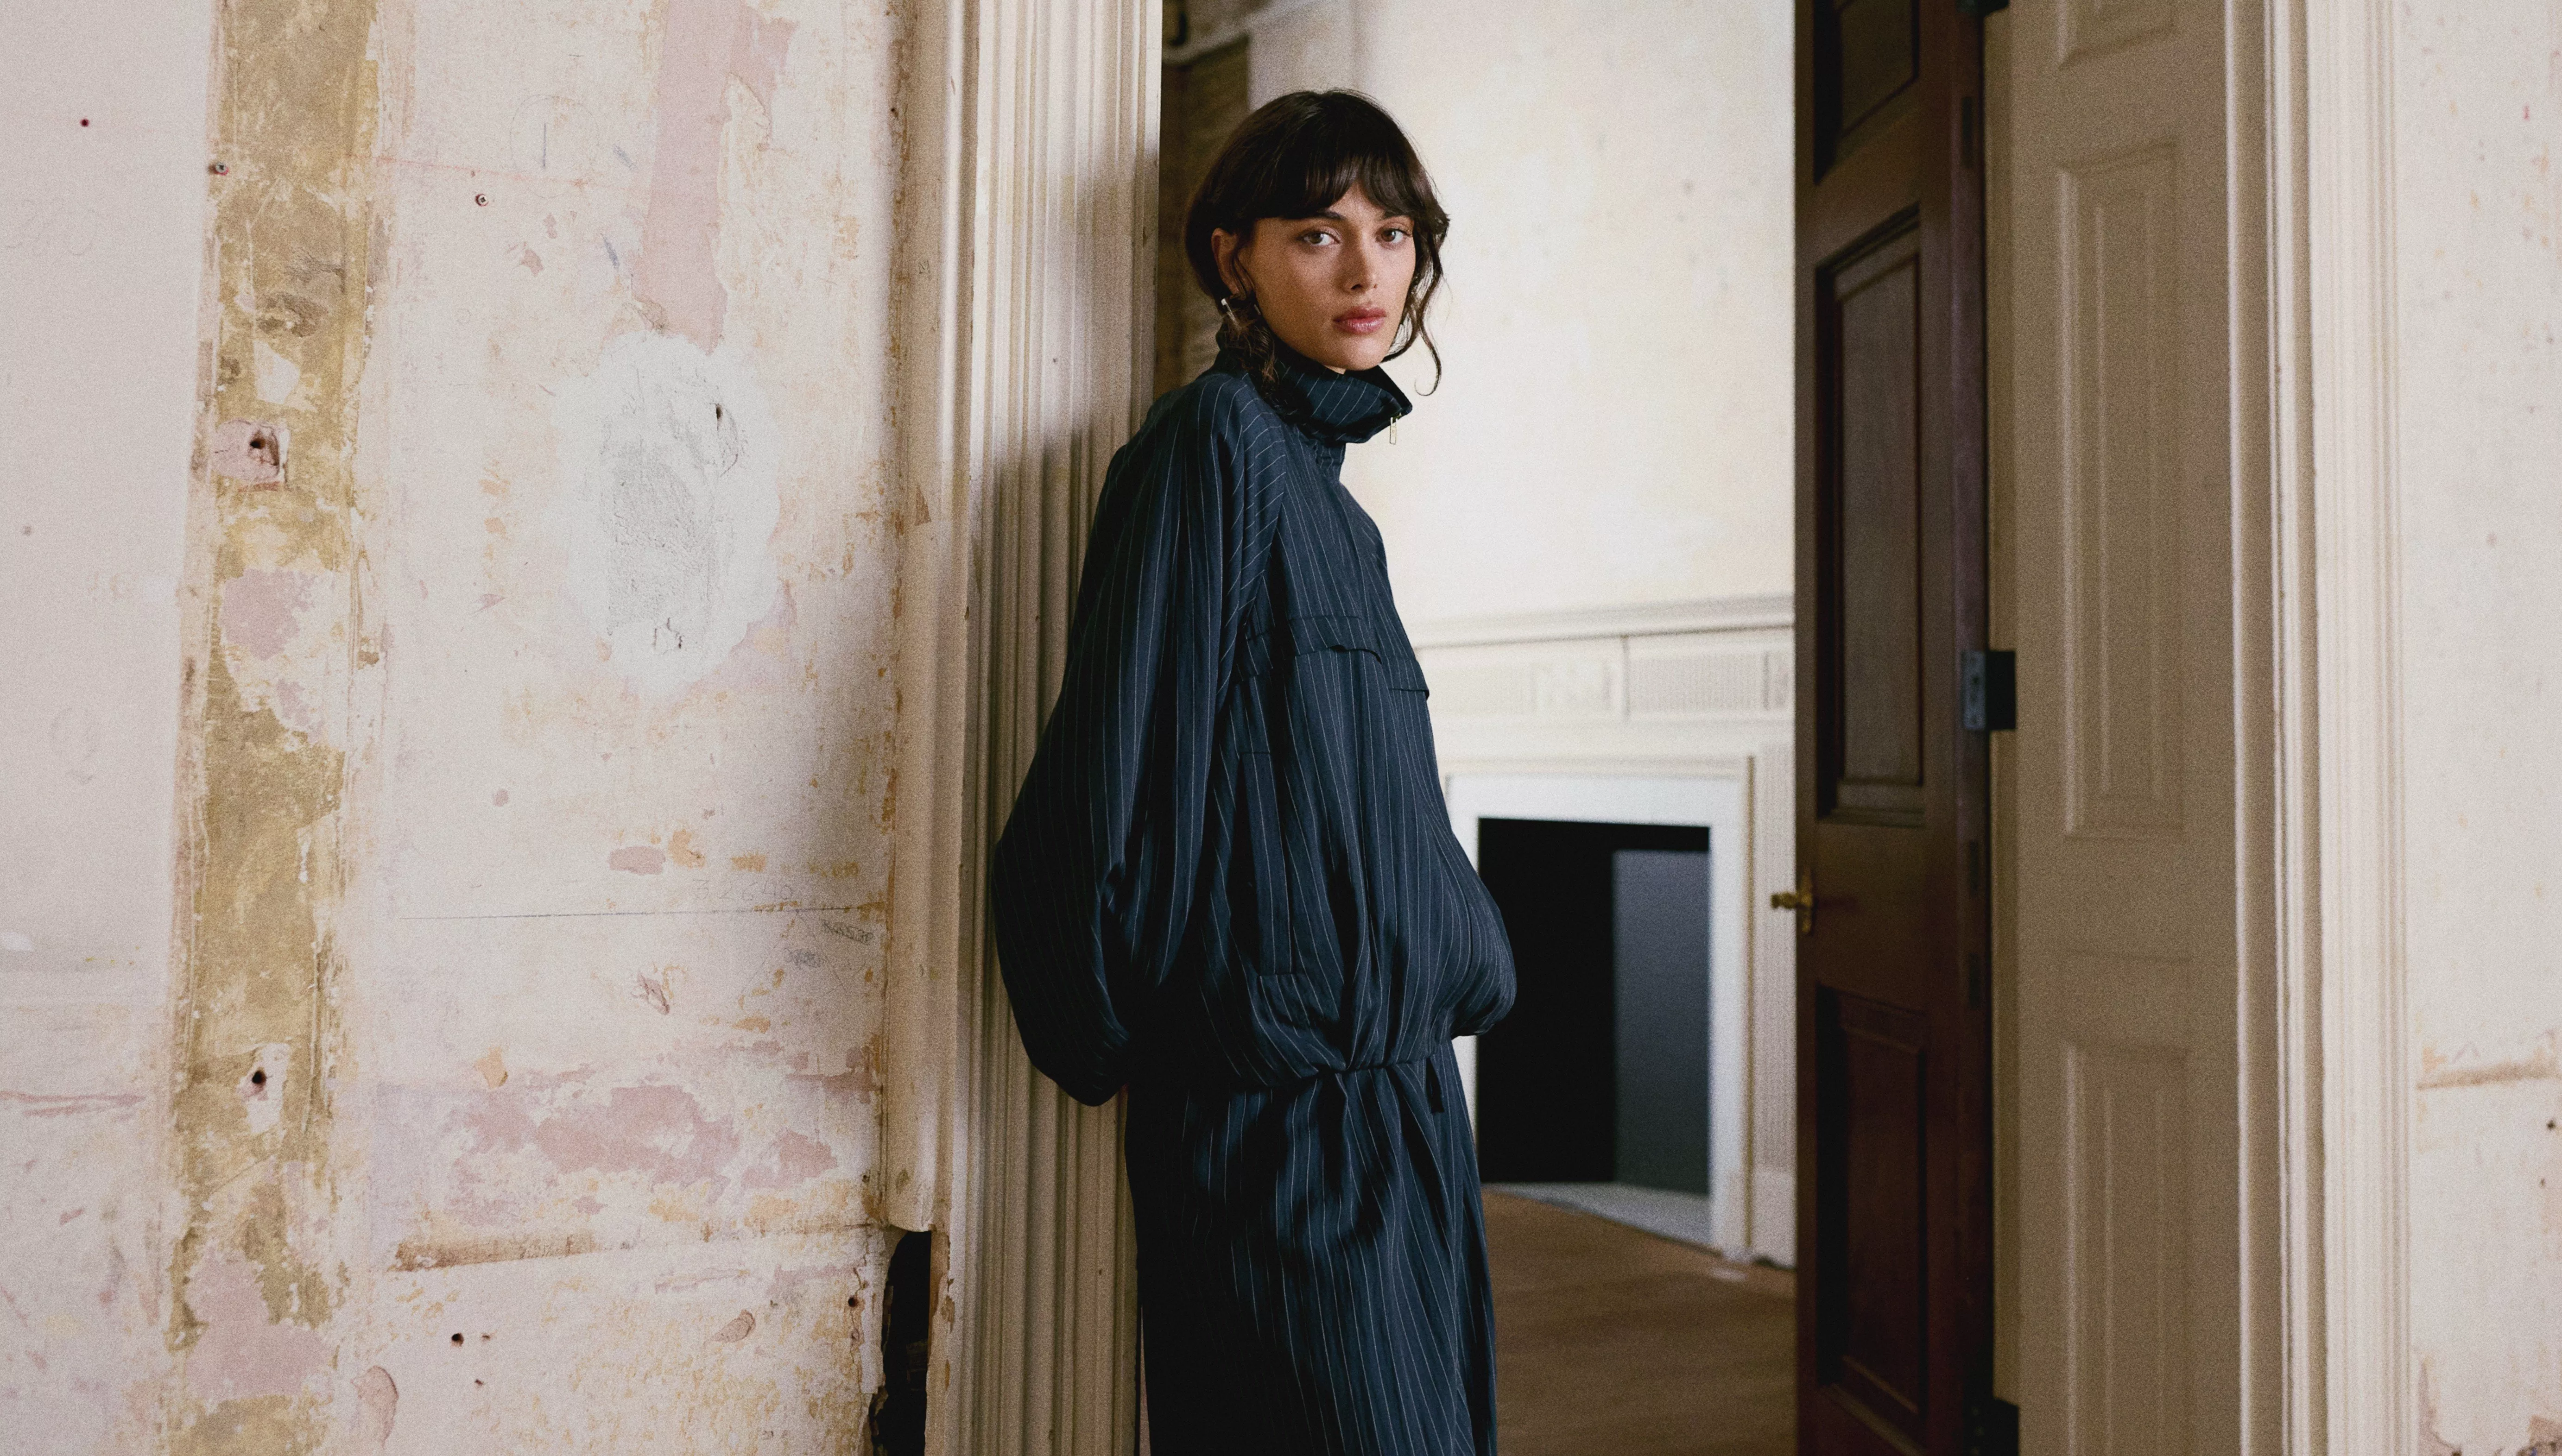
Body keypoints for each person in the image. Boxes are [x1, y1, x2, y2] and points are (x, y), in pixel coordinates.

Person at [987, 89, 1517, 1455]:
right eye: (1316, 233)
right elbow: (1109, 777)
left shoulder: (1333, 505)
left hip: (1407, 1116)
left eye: (1393, 234)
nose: (1366, 272)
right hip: (1282, 1137)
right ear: (1235, 258)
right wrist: (1153, 1048)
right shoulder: (1208, 452)